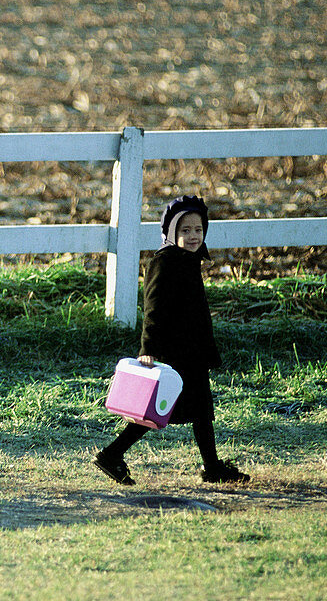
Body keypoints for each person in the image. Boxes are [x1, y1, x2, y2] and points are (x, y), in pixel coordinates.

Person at [94, 195, 249, 485]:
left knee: (199, 409)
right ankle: (112, 454)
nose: (193, 236)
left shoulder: (188, 261)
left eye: (198, 230)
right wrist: (148, 348)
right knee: (156, 410)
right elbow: (153, 308)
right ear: (171, 233)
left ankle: (212, 466)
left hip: (193, 350)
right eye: (185, 230)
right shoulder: (164, 262)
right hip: (177, 351)